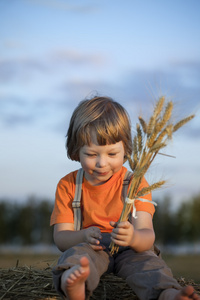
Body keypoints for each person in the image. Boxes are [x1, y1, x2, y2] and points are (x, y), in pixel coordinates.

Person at [50, 96, 199, 300]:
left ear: (126, 149)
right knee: (77, 258)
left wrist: (134, 237)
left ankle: (168, 294)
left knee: (149, 265)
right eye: (92, 154)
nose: (102, 163)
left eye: (112, 154)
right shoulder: (68, 185)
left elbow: (147, 236)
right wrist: (82, 236)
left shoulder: (135, 183)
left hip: (130, 251)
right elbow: (61, 238)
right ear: (76, 150)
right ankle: (76, 283)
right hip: (92, 247)